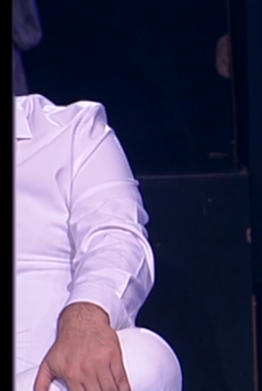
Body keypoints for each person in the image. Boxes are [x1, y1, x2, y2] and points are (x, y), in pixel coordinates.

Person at [14, 93, 183, 391]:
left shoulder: (72, 132)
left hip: (46, 380)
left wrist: (87, 314)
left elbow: (115, 237)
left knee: (148, 361)